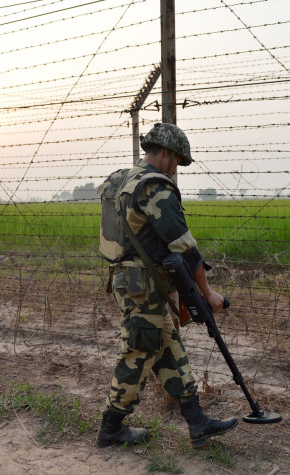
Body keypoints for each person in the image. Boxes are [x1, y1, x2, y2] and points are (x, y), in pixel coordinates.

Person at [96, 123, 238, 448]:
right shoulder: (153, 187)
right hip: (142, 285)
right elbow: (185, 248)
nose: (175, 169)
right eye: (176, 162)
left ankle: (197, 421)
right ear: (165, 153)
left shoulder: (122, 179)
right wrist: (209, 293)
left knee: (166, 344)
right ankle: (111, 426)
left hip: (132, 281)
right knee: (138, 350)